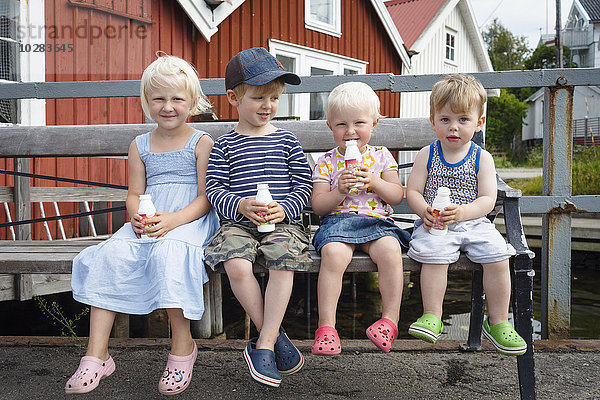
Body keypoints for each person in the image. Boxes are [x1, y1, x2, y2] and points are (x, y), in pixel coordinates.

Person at [66, 54, 220, 395]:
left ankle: (183, 346)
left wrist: (174, 220)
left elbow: (205, 197)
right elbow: (134, 193)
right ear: (146, 102)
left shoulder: (201, 142)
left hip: (189, 219)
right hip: (149, 218)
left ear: (192, 102)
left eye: (177, 99)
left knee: (169, 254)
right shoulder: (140, 144)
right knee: (110, 255)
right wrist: (136, 215)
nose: (168, 107)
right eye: (159, 99)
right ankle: (97, 355)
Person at [204, 47, 311, 388]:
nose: (268, 106)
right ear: (233, 97)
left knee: (283, 260)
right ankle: (275, 333)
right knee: (236, 263)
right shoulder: (225, 145)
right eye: (259, 97)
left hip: (284, 225)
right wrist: (239, 205)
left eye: (275, 98)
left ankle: (263, 343)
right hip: (239, 224)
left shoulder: (287, 141)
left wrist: (286, 208)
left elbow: (304, 187)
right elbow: (214, 189)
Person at [406, 73, 527, 356]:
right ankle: (433, 315)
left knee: (498, 254)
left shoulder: (481, 157)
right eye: (445, 119)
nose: (453, 127)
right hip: (436, 222)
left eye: (463, 119)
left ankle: (497, 321)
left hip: (473, 222)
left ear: (479, 123)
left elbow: (488, 198)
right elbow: (412, 191)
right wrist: (424, 210)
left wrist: (463, 212)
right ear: (433, 121)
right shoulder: (428, 154)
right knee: (434, 254)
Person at [310, 82, 411, 356]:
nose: (351, 131)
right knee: (332, 255)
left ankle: (390, 320)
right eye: (342, 124)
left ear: (374, 123)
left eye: (359, 123)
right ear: (330, 126)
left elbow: (396, 196)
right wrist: (338, 191)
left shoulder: (381, 156)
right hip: (338, 224)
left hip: (377, 223)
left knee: (390, 252)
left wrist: (376, 181)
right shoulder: (327, 162)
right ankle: (327, 327)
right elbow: (318, 205)